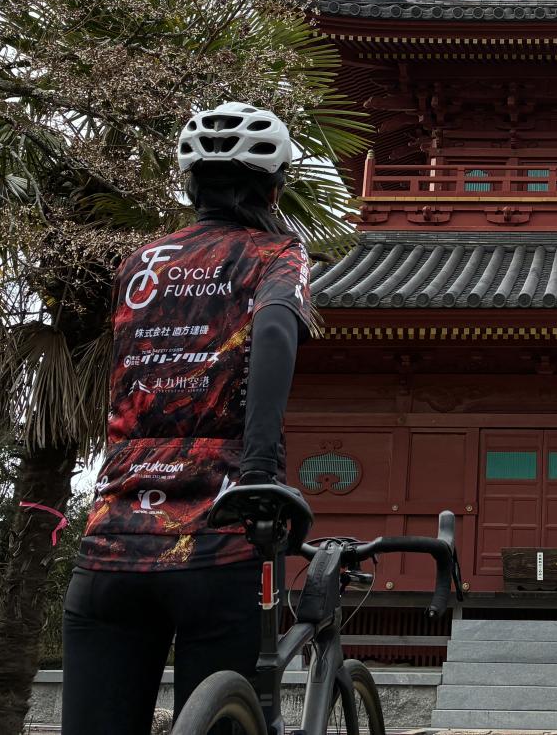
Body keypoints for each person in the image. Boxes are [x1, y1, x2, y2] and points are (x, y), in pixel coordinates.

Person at [61, 101, 317, 735]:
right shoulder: (277, 254)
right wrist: (259, 471)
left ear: (189, 184)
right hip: (215, 534)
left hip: (112, 537)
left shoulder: (137, 265)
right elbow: (277, 334)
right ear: (275, 186)